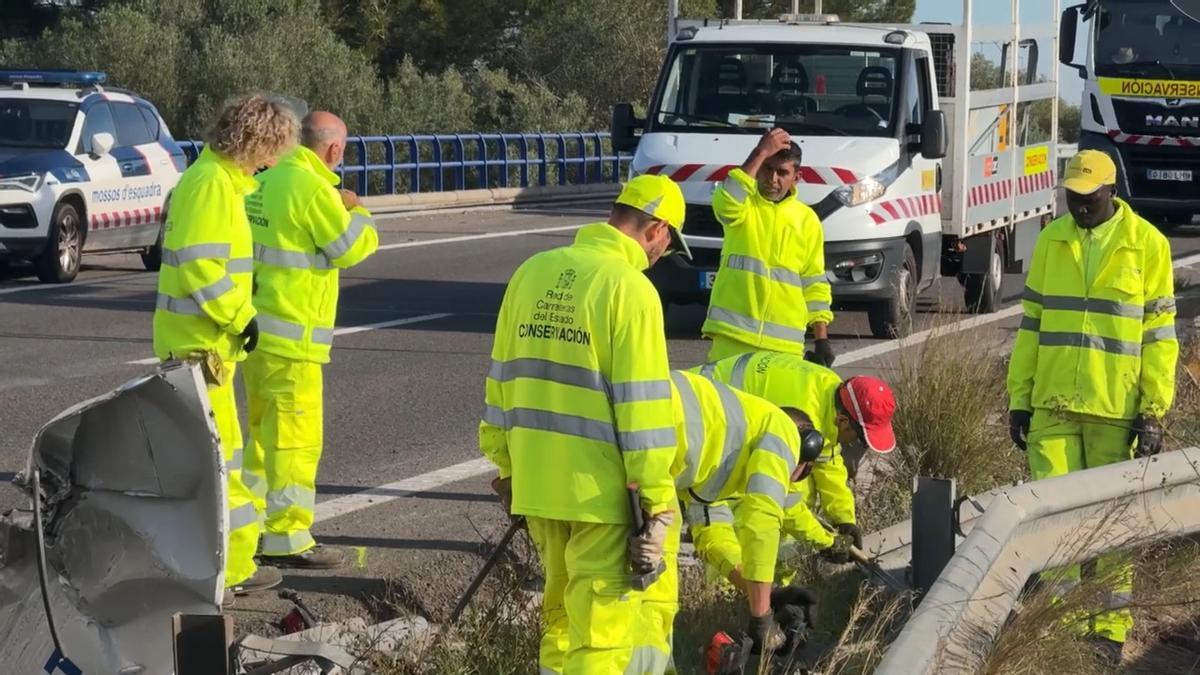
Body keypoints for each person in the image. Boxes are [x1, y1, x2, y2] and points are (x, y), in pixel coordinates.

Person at [479, 174, 690, 674]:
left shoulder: (532, 271)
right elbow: (643, 411)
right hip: (602, 497)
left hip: (538, 485)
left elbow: (500, 383)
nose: (661, 256)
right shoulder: (631, 289)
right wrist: (658, 502)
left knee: (559, 623)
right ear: (657, 230)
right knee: (601, 636)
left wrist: (507, 467)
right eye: (666, 246)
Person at [1007, 149, 1177, 663]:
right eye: (1072, 196)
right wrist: (1020, 399)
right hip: (1053, 404)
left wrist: (1153, 410)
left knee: (1111, 527)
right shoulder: (1052, 241)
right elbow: (1032, 325)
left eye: (1090, 197)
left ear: (1112, 191)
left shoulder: (1148, 244)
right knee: (1053, 524)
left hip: (1114, 409)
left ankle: (1107, 631)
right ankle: (1059, 629)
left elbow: (1159, 336)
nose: (1080, 205)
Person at [152, 94, 299, 596]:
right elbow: (201, 266)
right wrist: (240, 316)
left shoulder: (214, 180)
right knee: (223, 462)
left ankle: (221, 565)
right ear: (254, 141)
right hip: (202, 346)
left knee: (217, 458)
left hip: (204, 345)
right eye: (271, 150)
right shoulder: (212, 184)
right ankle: (234, 570)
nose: (271, 162)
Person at [242, 111, 379, 569]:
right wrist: (359, 210)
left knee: (262, 439)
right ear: (334, 149)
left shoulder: (265, 179)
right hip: (294, 336)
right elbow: (350, 247)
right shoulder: (313, 188)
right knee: (296, 442)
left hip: (256, 332)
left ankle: (251, 529)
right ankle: (288, 536)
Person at [660, 370, 822, 660]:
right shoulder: (782, 431)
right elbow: (762, 523)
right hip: (651, 433)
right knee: (654, 593)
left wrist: (764, 591)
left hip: (642, 441)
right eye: (797, 473)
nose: (789, 482)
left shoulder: (720, 453)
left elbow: (713, 535)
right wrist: (761, 616)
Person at [699, 352, 898, 552]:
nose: (856, 444)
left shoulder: (832, 392)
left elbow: (828, 459)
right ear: (843, 421)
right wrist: (825, 542)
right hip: (704, 415)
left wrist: (845, 519)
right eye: (861, 439)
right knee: (751, 507)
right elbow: (784, 496)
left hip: (714, 400)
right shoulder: (800, 422)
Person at [702, 128, 834, 366]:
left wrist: (821, 339)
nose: (773, 179)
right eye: (767, 168)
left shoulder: (807, 220)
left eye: (782, 172)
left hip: (784, 346)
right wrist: (760, 152)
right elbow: (725, 203)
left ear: (797, 177)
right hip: (733, 337)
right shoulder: (743, 205)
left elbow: (814, 283)